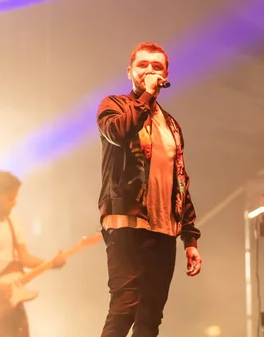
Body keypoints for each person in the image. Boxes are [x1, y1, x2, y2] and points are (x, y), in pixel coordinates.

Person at [96, 41, 202, 336]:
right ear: (130, 72)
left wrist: (190, 238)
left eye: (157, 66)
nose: (150, 70)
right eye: (143, 65)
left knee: (151, 315)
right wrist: (145, 97)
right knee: (125, 306)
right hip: (126, 221)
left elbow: (179, 180)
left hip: (164, 229)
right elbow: (118, 133)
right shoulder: (114, 106)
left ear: (167, 74)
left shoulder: (171, 124)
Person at [0, 170, 66, 337]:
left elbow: (23, 257)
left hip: (13, 300)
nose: (14, 203)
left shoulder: (12, 221)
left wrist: (52, 263)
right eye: (10, 198)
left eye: (15, 197)